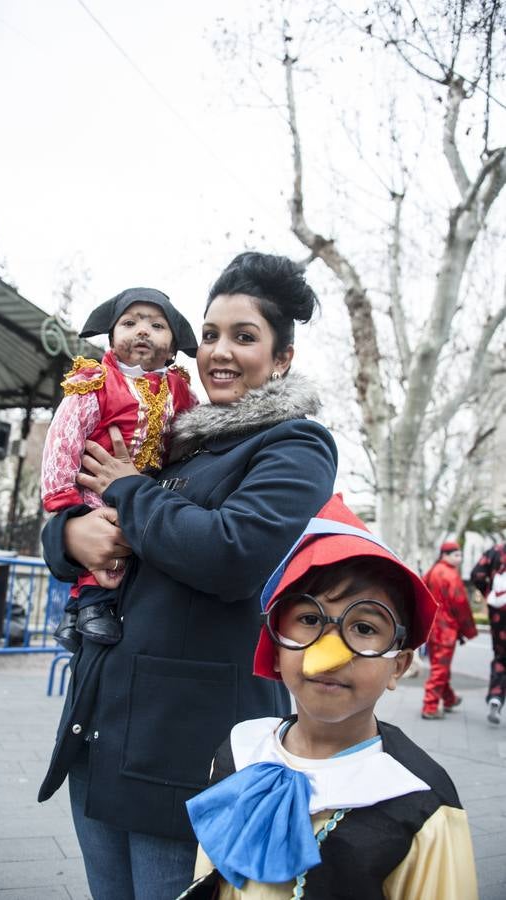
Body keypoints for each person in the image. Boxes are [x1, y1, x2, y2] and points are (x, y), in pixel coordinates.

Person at [38, 251, 338, 900]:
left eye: (244, 336)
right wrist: (67, 535)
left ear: (282, 358)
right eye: (209, 335)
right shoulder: (174, 437)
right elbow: (86, 507)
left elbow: (231, 554)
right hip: (101, 729)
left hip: (184, 752)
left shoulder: (294, 444)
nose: (219, 352)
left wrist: (129, 493)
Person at [182, 494, 478, 900]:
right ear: (276, 640)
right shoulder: (239, 753)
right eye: (308, 619)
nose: (329, 656)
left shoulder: (424, 808)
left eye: (364, 628)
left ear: (399, 665)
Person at [41, 288, 198, 651]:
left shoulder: (180, 390)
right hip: (93, 483)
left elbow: (191, 431)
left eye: (157, 325)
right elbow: (65, 435)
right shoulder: (96, 380)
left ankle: (74, 614)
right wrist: (62, 499)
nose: (142, 331)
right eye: (129, 323)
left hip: (146, 485)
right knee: (106, 535)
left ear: (174, 347)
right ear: (111, 337)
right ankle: (93, 608)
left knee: (131, 540)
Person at [421, 540, 477, 720]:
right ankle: (430, 707)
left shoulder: (433, 570)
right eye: (456, 554)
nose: (459, 558)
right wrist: (468, 630)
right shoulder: (450, 575)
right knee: (440, 668)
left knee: (440, 665)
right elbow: (461, 605)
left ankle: (449, 699)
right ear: (445, 555)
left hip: (432, 627)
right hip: (446, 629)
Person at [471, 540, 506, 725]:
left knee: (501, 657)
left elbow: (477, 574)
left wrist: (489, 592)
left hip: (500, 614)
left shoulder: (495, 551)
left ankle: (496, 696)